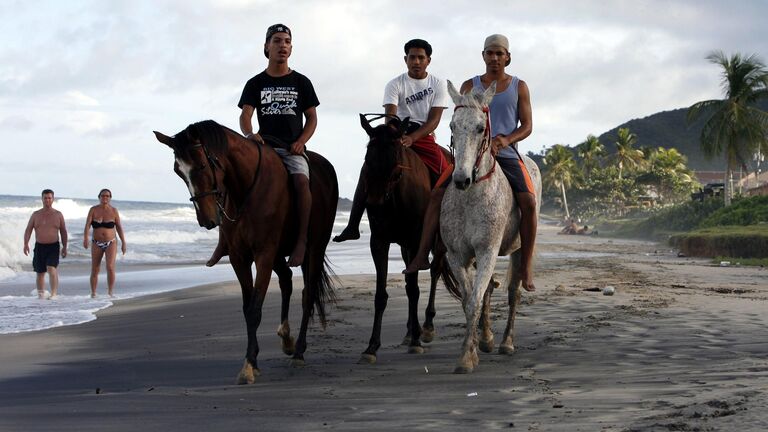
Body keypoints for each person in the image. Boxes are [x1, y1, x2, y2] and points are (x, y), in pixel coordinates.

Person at [405, 34, 538, 292]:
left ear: (508, 57)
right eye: (490, 53)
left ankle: (526, 265)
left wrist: (506, 140)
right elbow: (461, 118)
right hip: (472, 154)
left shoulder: (518, 86)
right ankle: (422, 254)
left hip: (506, 154)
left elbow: (528, 126)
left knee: (529, 202)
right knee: (436, 195)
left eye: (500, 54)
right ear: (483, 56)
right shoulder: (469, 85)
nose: (495, 58)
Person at [207, 23, 318, 268]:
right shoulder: (256, 83)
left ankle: (301, 241)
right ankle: (223, 240)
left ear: (291, 48)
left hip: (291, 149)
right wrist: (249, 133)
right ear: (266, 47)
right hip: (262, 148)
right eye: (277, 41)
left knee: (301, 182)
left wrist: (301, 141)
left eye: (287, 41)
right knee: (227, 180)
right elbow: (245, 115)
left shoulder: (301, 82)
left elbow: (311, 117)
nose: (283, 45)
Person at [334, 38, 451, 243]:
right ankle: (353, 225)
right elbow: (390, 116)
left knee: (445, 172)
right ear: (405, 59)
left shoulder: (438, 84)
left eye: (420, 58)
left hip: (423, 136)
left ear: (428, 60)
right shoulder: (395, 84)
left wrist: (413, 138)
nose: (416, 61)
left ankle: (447, 223)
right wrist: (397, 136)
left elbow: (434, 120)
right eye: (412, 57)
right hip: (396, 134)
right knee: (369, 167)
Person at [23, 189, 68, 299]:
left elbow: (63, 231)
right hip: (39, 246)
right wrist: (25, 244)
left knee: (51, 268)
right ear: (42, 199)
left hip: (53, 246)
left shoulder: (58, 215)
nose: (47, 200)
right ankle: (41, 295)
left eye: (49, 198)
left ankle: (53, 294)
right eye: (45, 198)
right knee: (40, 272)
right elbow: (28, 230)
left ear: (53, 199)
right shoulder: (36, 214)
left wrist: (65, 247)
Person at [83, 188, 126, 298]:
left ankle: (110, 292)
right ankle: (93, 293)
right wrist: (85, 238)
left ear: (110, 198)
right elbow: (88, 225)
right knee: (95, 268)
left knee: (110, 267)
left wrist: (123, 242)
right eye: (103, 196)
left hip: (111, 242)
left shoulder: (114, 211)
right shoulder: (93, 210)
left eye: (107, 196)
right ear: (99, 197)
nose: (105, 198)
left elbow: (119, 227)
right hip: (96, 242)